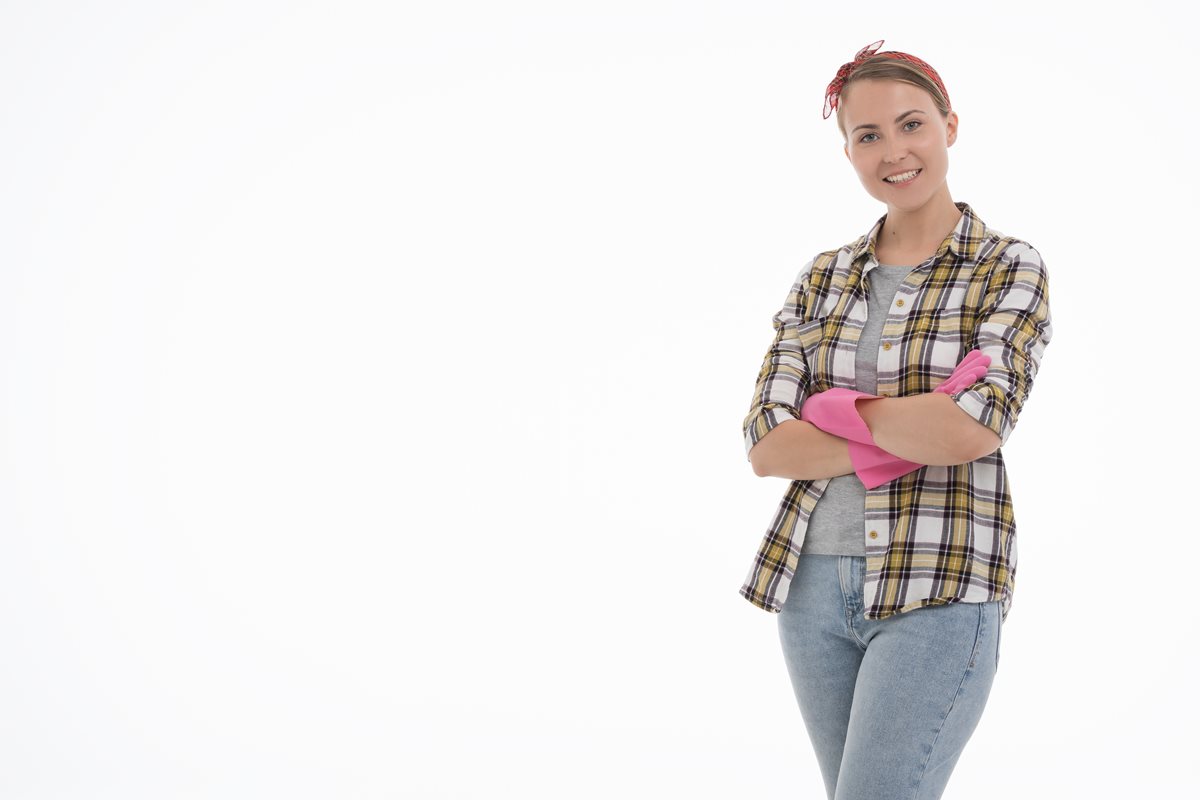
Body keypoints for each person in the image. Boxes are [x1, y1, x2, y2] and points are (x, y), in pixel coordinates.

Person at [739, 40, 1054, 800]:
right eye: (868, 135)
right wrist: (908, 421)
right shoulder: (824, 277)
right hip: (811, 586)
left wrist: (834, 410)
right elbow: (768, 444)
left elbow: (969, 431)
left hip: (940, 583)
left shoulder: (1007, 266)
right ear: (846, 149)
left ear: (950, 125)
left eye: (912, 125)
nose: (894, 151)